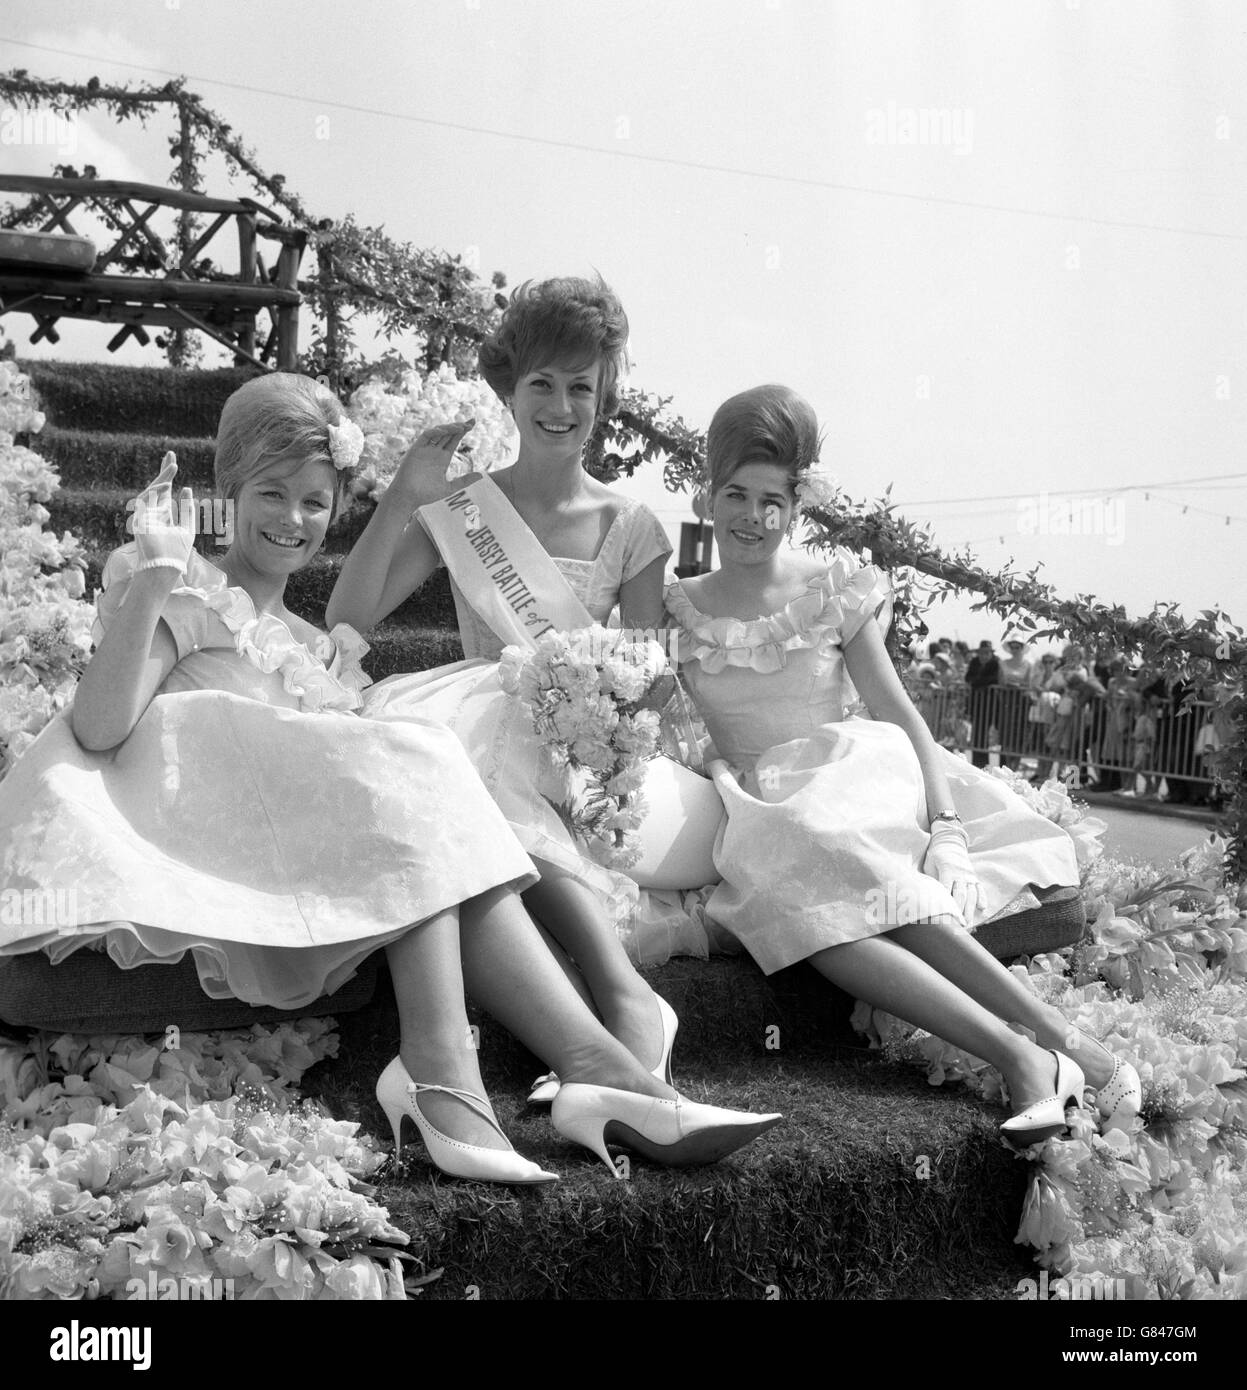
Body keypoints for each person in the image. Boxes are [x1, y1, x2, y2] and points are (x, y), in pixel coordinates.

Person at [0, 373, 779, 1182]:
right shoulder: (189, 594)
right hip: (212, 845)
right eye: (271, 494)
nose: (292, 520)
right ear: (226, 494)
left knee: (417, 774)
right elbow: (98, 726)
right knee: (412, 760)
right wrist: (159, 567)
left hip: (310, 848)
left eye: (313, 502)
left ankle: (575, 1070)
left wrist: (407, 494)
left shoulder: (308, 642)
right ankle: (509, 1067)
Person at [662, 384, 1141, 1142]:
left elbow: (898, 712)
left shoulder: (830, 589)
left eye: (771, 501)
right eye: (734, 494)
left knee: (819, 843)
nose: (750, 518)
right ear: (706, 492)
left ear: (797, 505)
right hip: (758, 802)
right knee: (813, 903)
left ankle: (1047, 1036)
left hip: (846, 774)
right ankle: (1025, 1052)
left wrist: (946, 820)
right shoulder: (677, 606)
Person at [327, 276, 705, 1101]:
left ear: (605, 397)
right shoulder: (466, 508)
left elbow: (653, 669)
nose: (560, 404)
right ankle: (621, 1003)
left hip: (583, 749)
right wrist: (402, 497)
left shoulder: (628, 525)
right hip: (476, 712)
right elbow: (348, 616)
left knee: (504, 746)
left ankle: (612, 1014)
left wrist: (604, 712)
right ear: (510, 389)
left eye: (581, 386)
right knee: (466, 741)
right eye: (541, 383)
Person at [964, 639, 1001, 768]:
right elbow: (968, 678)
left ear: (991, 653)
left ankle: (985, 765)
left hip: (990, 706)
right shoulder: (974, 662)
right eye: (982, 652)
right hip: (976, 704)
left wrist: (978, 682)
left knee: (986, 736)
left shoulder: (995, 664)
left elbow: (994, 679)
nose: (984, 655)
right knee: (976, 735)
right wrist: (980, 682)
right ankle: (976, 764)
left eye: (987, 653)